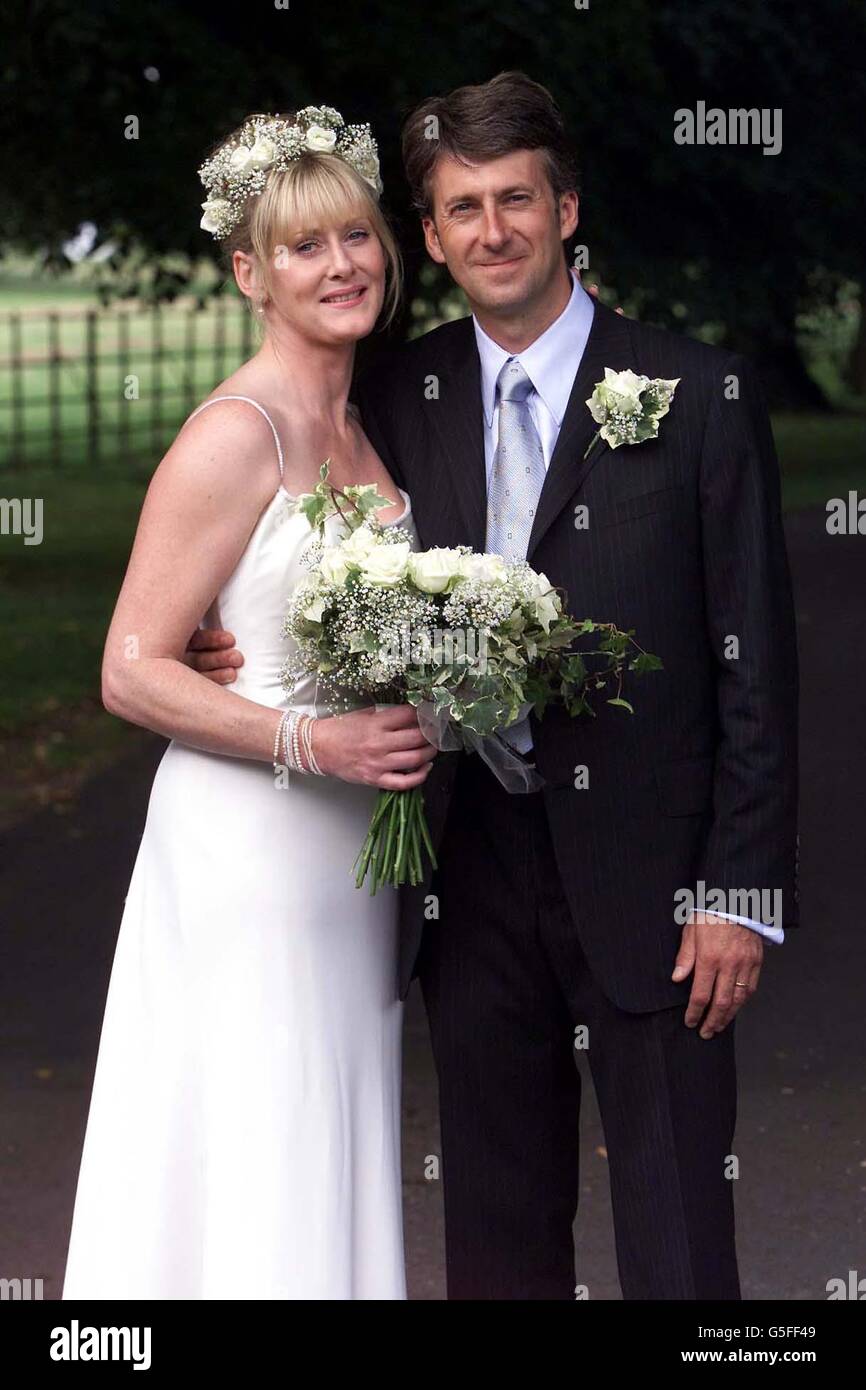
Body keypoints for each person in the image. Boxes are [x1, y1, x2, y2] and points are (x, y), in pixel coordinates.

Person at [193, 74, 799, 1301]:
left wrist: (737, 892)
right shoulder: (389, 401)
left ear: (565, 208)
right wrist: (227, 634)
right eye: (460, 208)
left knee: (681, 1241)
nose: (491, 230)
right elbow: (299, 546)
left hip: (659, 887)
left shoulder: (694, 399)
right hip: (464, 881)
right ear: (429, 234)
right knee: (496, 1236)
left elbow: (759, 675)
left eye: (515, 198)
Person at [62, 106, 436, 1300]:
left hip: (354, 862)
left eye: (358, 237)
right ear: (249, 274)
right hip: (249, 846)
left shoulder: (367, 425)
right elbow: (130, 666)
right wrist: (308, 738)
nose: (342, 266)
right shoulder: (237, 432)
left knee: (325, 1110)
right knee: (252, 1122)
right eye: (304, 247)